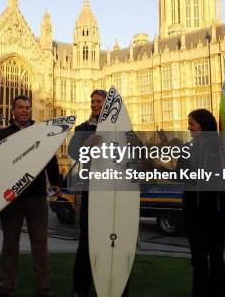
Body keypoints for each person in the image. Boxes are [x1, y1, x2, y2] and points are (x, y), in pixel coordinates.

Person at [0, 95, 62, 297]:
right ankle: (6, 285)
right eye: (20, 107)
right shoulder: (3, 134)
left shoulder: (41, 133)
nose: (25, 110)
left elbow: (51, 159)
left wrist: (56, 182)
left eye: (27, 107)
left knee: (40, 243)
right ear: (13, 111)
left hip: (36, 196)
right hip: (12, 198)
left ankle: (43, 287)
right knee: (10, 243)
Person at [67, 89, 130, 297]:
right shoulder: (83, 128)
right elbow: (73, 151)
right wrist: (87, 143)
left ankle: (117, 286)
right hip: (91, 191)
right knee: (87, 240)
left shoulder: (120, 130)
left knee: (116, 239)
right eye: (92, 101)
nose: (94, 104)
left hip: (114, 192)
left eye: (99, 101)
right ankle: (81, 287)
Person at [178, 109, 225, 297]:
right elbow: (181, 176)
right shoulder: (187, 148)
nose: (188, 127)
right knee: (198, 259)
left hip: (215, 211)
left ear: (204, 125)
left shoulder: (222, 148)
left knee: (216, 258)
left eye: (192, 124)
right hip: (193, 212)